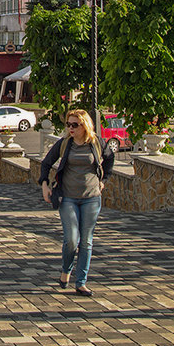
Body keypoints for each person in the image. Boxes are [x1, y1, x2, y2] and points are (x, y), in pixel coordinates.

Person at [38, 108, 114, 296]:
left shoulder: (96, 143)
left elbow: (110, 159)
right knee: (72, 240)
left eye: (75, 125)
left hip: (91, 198)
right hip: (68, 198)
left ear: (84, 125)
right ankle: (66, 269)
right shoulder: (65, 144)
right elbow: (46, 163)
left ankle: (81, 282)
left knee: (86, 241)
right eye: (68, 124)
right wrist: (45, 185)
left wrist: (103, 182)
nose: (70, 128)